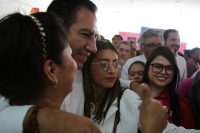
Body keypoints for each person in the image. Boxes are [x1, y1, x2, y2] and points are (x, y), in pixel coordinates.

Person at [0, 0, 101, 132]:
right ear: (58, 28)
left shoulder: (87, 68)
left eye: (95, 36)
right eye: (86, 34)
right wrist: (42, 118)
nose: (93, 48)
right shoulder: (14, 80)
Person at [142, 46, 194, 129]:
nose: (163, 72)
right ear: (147, 69)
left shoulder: (182, 104)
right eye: (158, 66)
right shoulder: (132, 95)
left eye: (169, 68)